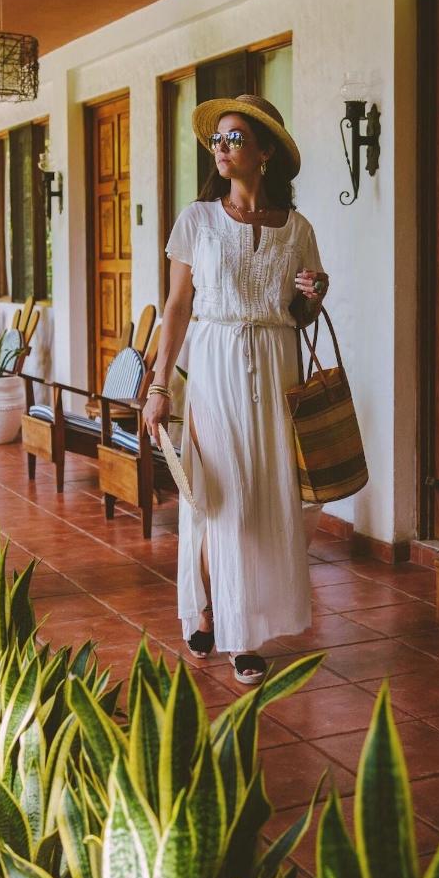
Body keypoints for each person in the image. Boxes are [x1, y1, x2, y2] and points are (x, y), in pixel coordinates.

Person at [142, 95, 328, 684]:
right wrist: (160, 384)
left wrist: (314, 295)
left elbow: (299, 314)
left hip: (276, 366)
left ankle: (243, 626)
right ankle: (214, 613)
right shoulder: (197, 220)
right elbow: (177, 306)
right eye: (218, 139)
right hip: (214, 364)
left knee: (267, 495)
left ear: (265, 151)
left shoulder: (297, 229)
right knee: (221, 497)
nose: (222, 148)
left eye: (236, 138)